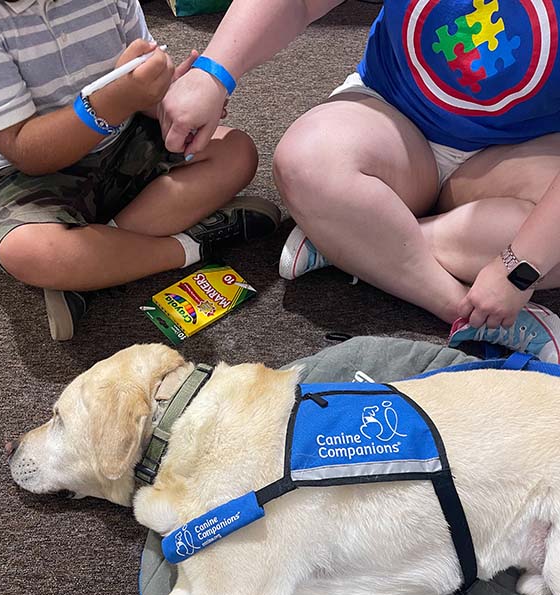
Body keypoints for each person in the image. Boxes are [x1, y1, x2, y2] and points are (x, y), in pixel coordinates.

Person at [160, 0, 560, 362]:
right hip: (390, 117)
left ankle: (348, 240)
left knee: (547, 243)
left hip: (516, 153)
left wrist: (518, 267)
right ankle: (459, 309)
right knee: (309, 161)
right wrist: (212, 74)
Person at [0, 0, 280, 340]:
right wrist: (116, 100)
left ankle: (95, 267)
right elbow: (27, 151)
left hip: (125, 140)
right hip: (30, 177)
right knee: (27, 250)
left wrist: (170, 98)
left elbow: (141, 83)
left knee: (236, 153)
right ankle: (189, 246)